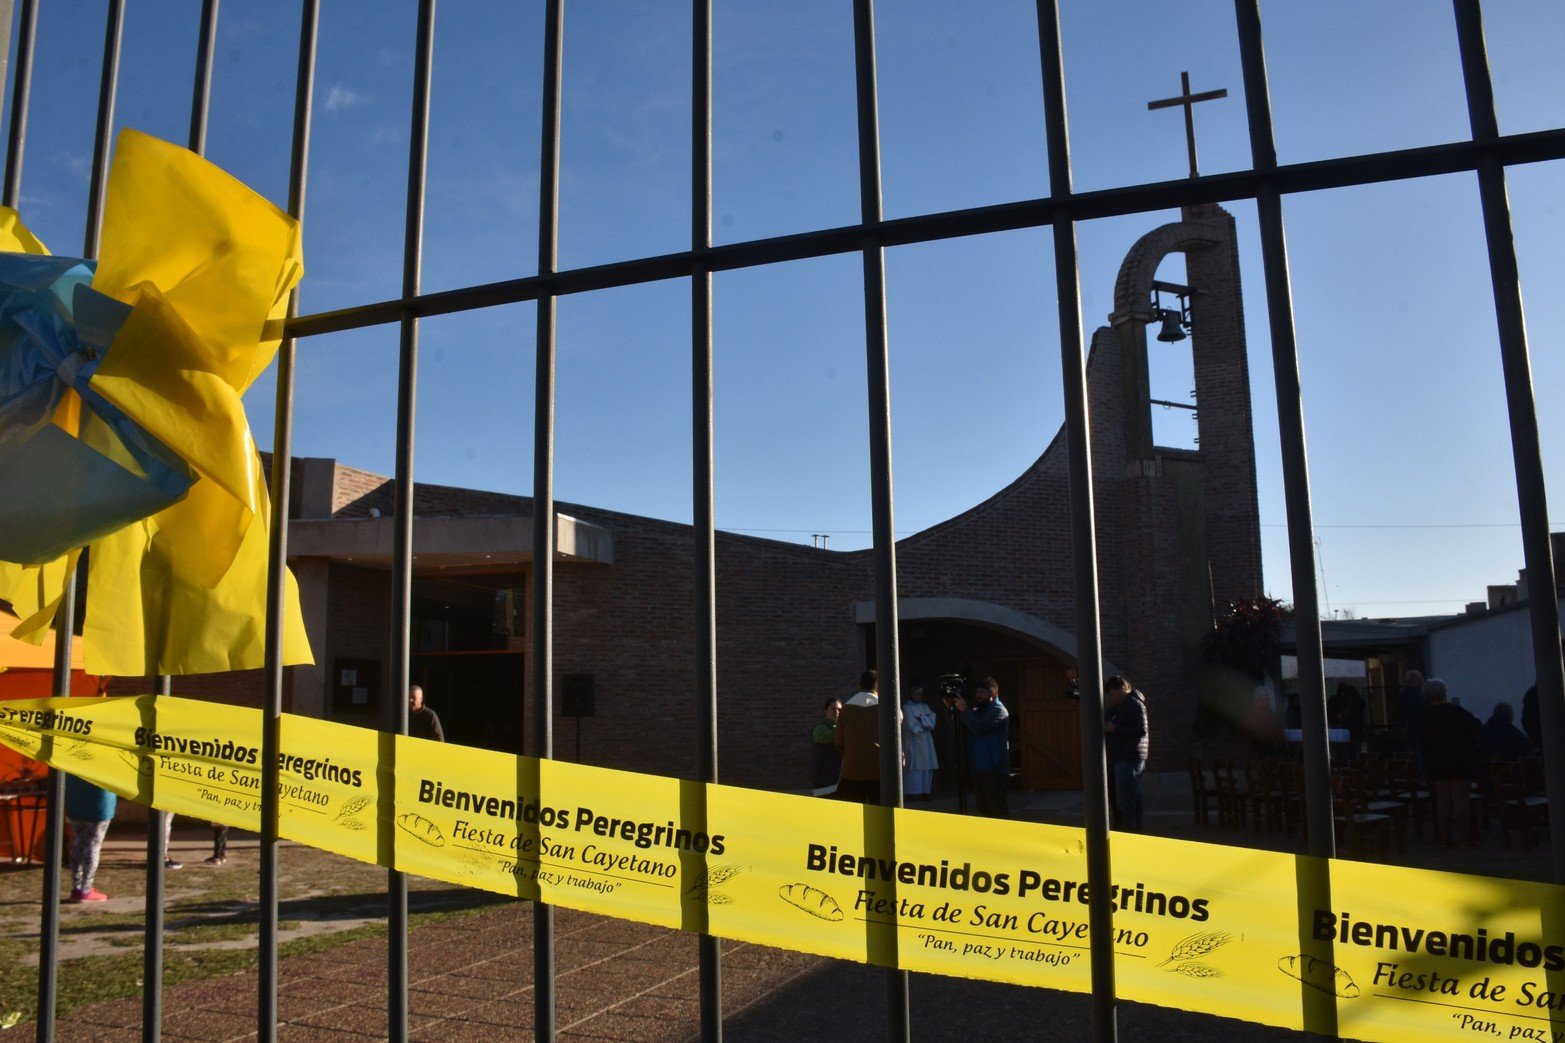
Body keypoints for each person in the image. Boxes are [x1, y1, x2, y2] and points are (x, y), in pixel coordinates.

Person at [1417, 678, 1481, 849]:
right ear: (1444, 692)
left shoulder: (1423, 715)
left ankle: (1446, 839)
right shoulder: (1455, 711)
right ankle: (1464, 840)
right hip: (1459, 759)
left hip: (1436, 760)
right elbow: (1476, 726)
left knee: (1443, 799)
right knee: (1461, 800)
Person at [954, 677, 1009, 818]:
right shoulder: (979, 710)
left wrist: (965, 710)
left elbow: (978, 727)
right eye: (977, 692)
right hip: (979, 768)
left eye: (982, 692)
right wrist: (953, 708)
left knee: (996, 808)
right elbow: (965, 724)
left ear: (993, 693)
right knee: (983, 809)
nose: (978, 695)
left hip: (994, 768)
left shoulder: (998, 711)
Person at [1104, 675, 1149, 833]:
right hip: (1121, 757)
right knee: (1131, 798)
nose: (1112, 698)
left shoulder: (1135, 705)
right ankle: (1136, 832)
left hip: (1129, 757)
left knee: (1125, 801)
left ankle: (1130, 833)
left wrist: (1115, 729)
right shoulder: (1116, 709)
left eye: (1113, 694)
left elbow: (1141, 730)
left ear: (1123, 689)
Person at [65, 774, 116, 903]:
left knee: (78, 842)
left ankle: (77, 887)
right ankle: (86, 888)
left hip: (75, 797)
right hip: (99, 799)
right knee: (93, 844)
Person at [834, 671, 882, 803]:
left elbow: (839, 742)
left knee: (853, 816)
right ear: (877, 684)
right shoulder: (885, 707)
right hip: (878, 771)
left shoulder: (847, 708)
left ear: (860, 684)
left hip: (852, 771)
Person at [901, 686, 938, 801]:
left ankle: (925, 792)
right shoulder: (906, 707)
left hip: (926, 741)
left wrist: (922, 719)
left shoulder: (925, 707)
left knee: (927, 766)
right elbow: (911, 723)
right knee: (913, 765)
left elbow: (932, 719)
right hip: (913, 741)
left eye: (921, 694)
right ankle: (911, 793)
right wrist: (924, 721)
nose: (919, 696)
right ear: (911, 694)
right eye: (917, 693)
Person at [808, 698, 843, 793]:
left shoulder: (841, 728)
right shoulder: (819, 728)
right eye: (833, 709)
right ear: (825, 711)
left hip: (839, 778)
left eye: (839, 710)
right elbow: (828, 737)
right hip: (823, 780)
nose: (837, 712)